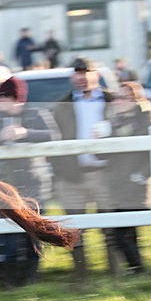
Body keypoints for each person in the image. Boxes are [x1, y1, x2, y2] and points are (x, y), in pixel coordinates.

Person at [0, 77, 60, 287]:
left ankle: (30, 276)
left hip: (33, 183)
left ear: (16, 98)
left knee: (32, 232)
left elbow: (53, 135)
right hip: (4, 185)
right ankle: (10, 280)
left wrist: (26, 133)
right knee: (8, 234)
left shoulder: (36, 114)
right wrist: (0, 136)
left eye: (4, 97)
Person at [49, 57, 116, 285]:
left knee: (110, 226)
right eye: (77, 72)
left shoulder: (111, 100)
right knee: (74, 230)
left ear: (96, 74)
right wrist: (60, 173)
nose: (82, 77)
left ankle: (114, 274)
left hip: (105, 174)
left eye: (86, 72)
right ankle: (81, 276)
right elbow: (53, 142)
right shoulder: (62, 105)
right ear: (72, 76)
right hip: (71, 176)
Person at [104, 82, 151, 275]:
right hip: (117, 183)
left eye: (124, 97)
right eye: (117, 97)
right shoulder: (114, 123)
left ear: (136, 100)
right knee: (125, 231)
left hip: (136, 184)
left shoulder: (146, 121)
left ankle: (137, 268)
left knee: (122, 231)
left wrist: (142, 175)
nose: (118, 102)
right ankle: (136, 268)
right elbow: (104, 155)